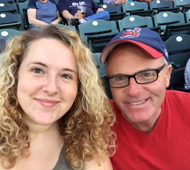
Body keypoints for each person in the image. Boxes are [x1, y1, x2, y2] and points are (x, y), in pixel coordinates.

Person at [0, 25, 116, 170]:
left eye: (66, 75)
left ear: (79, 87)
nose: (51, 88)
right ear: (14, 75)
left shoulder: (86, 141)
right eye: (38, 70)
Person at [100, 27, 190, 169]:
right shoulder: (95, 125)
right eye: (120, 78)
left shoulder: (187, 107)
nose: (133, 91)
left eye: (147, 74)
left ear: (167, 75)